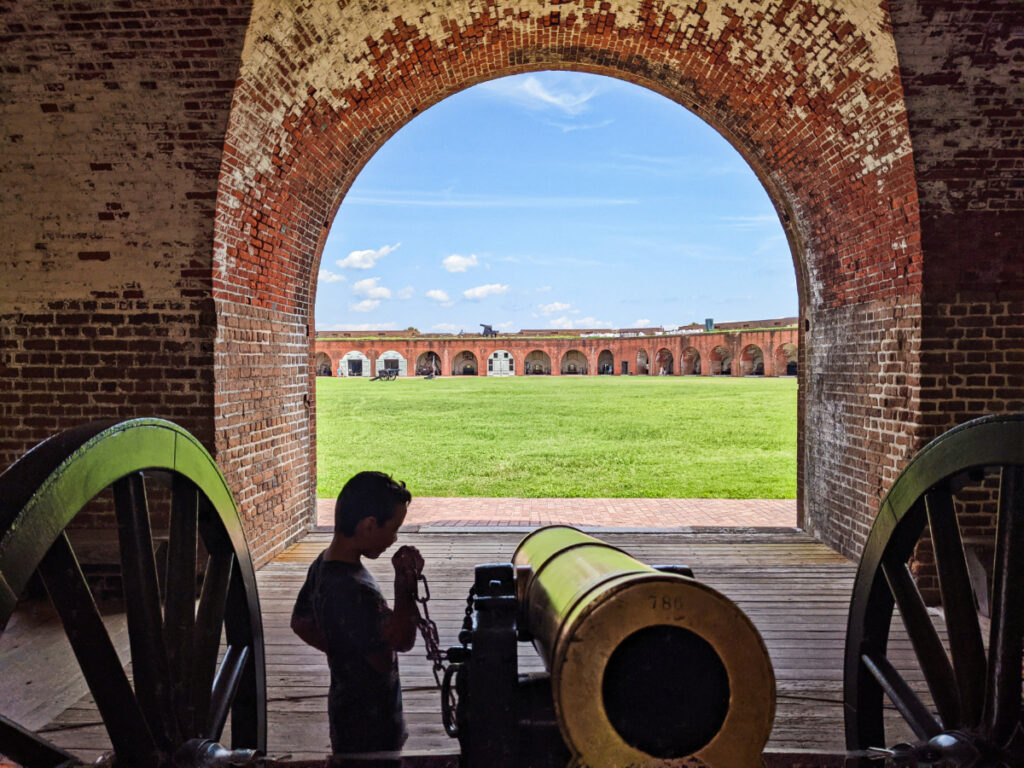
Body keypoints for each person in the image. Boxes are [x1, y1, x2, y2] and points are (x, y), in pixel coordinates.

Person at [290, 471, 424, 765]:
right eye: (393, 528)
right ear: (369, 526)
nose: (395, 538)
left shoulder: (323, 564)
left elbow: (300, 622)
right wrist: (405, 586)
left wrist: (343, 648)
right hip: (371, 723)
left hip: (345, 709)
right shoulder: (354, 591)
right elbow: (401, 639)